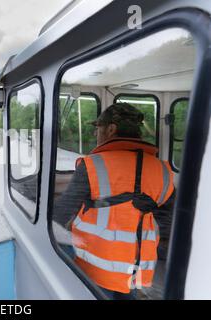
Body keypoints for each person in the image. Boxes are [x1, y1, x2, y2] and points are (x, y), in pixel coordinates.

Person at [53, 103, 175, 300]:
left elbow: (61, 214)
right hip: (138, 271)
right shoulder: (162, 170)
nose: (95, 134)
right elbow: (167, 223)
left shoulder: (93, 165)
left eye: (98, 128)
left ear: (111, 129)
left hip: (96, 270)